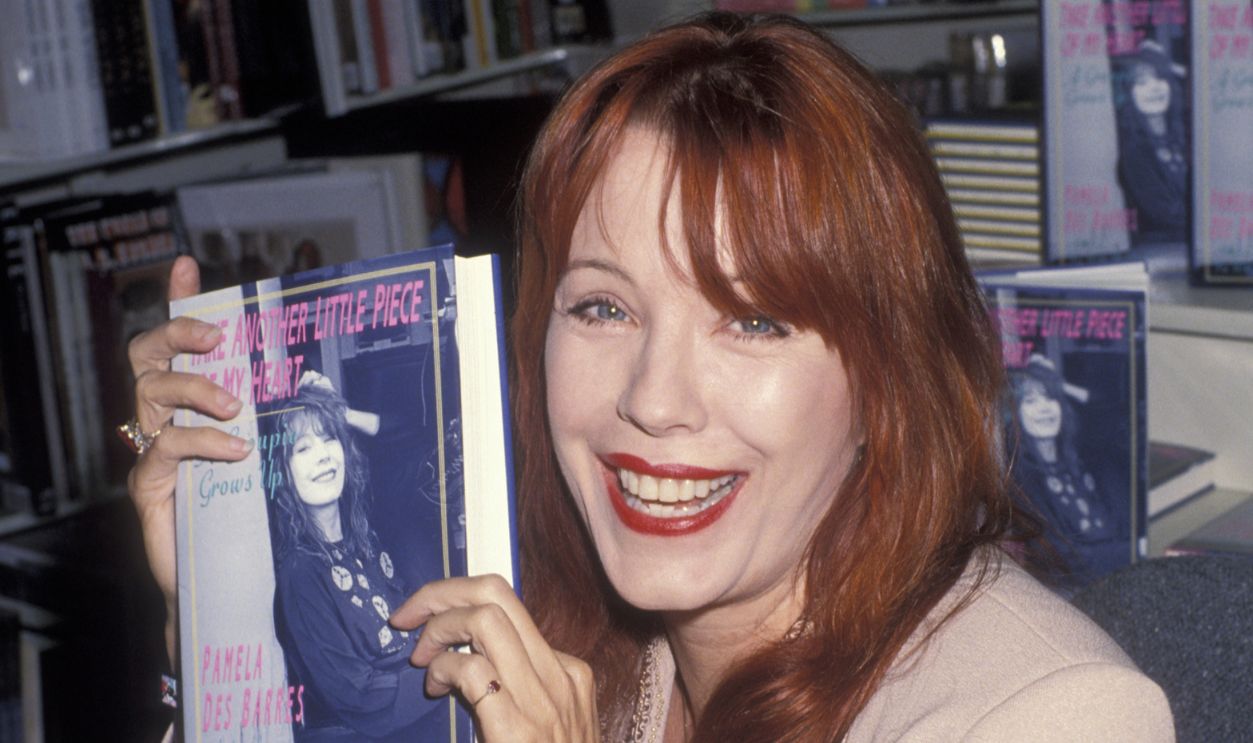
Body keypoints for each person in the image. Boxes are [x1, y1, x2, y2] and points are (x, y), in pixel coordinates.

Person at [126, 12, 1174, 742]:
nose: (652, 398)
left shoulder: (1054, 715)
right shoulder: (547, 615)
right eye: (603, 307)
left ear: (887, 376)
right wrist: (221, 598)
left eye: (753, 319)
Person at [266, 377, 443, 740]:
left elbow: (421, 435)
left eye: (330, 438)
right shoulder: (300, 574)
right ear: (283, 472)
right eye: (302, 448)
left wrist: (342, 414)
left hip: (432, 700)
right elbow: (361, 699)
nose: (323, 455)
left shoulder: (365, 537)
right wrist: (452, 672)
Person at [1009, 355, 1126, 588]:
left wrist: (1058, 383)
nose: (1043, 408)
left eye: (1050, 398)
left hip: (1120, 580)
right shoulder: (1021, 479)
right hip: (1080, 594)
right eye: (1030, 401)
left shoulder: (1090, 461)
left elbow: (1115, 406)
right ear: (1014, 413)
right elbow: (1060, 557)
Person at [1114, 38, 1187, 246]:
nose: (1154, 88)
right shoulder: (1134, 152)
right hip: (1161, 252)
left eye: (1160, 79)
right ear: (1130, 93)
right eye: (1142, 82)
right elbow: (1164, 214)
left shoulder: (1184, 140)